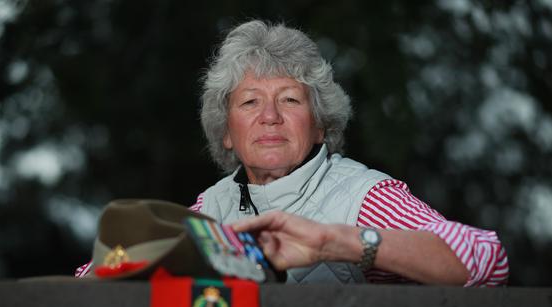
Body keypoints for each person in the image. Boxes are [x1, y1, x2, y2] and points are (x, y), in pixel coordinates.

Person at [188, 20, 508, 286]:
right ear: (227, 132)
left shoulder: (364, 197)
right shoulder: (209, 208)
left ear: (319, 126)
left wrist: (335, 243)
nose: (270, 116)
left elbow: (487, 261)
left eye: (289, 100)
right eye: (249, 102)